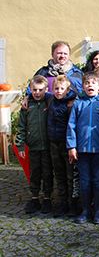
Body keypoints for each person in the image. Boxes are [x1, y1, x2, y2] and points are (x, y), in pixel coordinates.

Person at [67, 71, 99, 224]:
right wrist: (72, 146)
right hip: (82, 151)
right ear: (83, 86)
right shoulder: (78, 105)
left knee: (98, 180)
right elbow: (71, 126)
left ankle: (98, 211)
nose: (90, 86)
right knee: (85, 181)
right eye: (87, 83)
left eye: (93, 83)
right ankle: (86, 210)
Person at [17, 76, 53, 214]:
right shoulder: (27, 106)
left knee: (48, 173)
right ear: (30, 90)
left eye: (40, 90)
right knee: (35, 173)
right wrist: (20, 145)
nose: (37, 93)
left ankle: (48, 198)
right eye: (34, 90)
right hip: (33, 146)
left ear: (46, 90)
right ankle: (34, 198)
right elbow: (21, 126)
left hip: (48, 146)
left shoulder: (49, 102)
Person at [47, 75, 78, 217]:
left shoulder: (71, 104)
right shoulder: (51, 100)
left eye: (62, 89)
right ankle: (62, 202)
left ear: (68, 90)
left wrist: (72, 145)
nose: (59, 91)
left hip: (67, 144)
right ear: (52, 90)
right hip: (54, 142)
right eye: (56, 89)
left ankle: (73, 202)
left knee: (70, 174)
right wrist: (27, 97)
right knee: (59, 174)